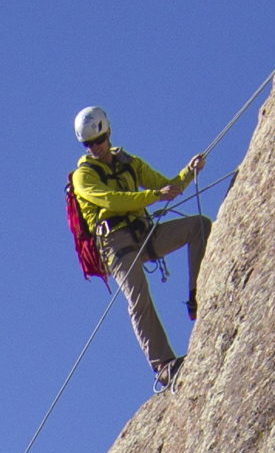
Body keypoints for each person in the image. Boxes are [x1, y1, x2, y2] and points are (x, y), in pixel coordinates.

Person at [70, 106, 209, 388]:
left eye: (99, 140)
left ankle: (197, 295)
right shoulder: (83, 176)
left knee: (199, 226)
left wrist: (189, 172)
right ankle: (163, 366)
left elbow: (167, 186)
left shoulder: (129, 163)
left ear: (109, 133)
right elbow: (111, 200)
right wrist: (154, 196)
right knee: (138, 298)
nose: (95, 147)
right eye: (89, 144)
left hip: (143, 232)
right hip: (115, 244)